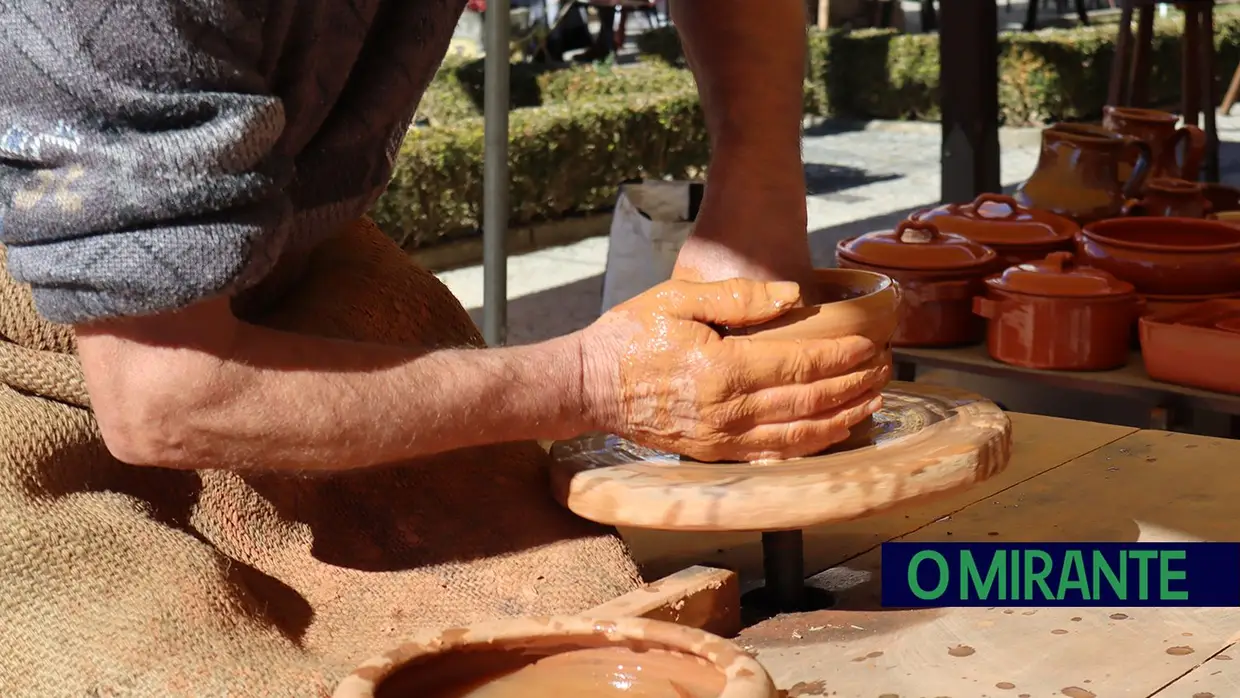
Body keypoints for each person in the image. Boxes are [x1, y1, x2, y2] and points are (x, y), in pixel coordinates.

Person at [0, 0, 886, 693]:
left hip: (287, 259)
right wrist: (594, 378)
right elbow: (168, 393)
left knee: (568, 606)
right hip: (52, 345)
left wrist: (758, 169)